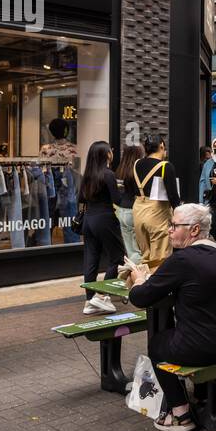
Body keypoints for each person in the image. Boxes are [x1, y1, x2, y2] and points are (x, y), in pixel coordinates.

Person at [125, 203, 216, 431]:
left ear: (194, 230)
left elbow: (140, 298)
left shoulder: (182, 260)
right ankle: (202, 395)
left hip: (204, 347)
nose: (169, 230)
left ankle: (180, 415)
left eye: (174, 225)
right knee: (199, 330)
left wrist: (140, 278)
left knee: (157, 345)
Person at [79, 141, 127, 315]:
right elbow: (117, 200)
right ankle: (101, 296)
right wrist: (123, 190)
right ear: (106, 155)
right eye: (110, 150)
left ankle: (89, 300)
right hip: (105, 219)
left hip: (89, 220)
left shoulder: (88, 175)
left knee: (91, 260)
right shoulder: (108, 174)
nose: (112, 152)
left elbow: (81, 199)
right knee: (118, 258)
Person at [122, 134, 180, 269]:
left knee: (145, 255)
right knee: (160, 257)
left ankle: (143, 283)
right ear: (161, 146)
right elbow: (173, 197)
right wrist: (179, 215)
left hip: (138, 212)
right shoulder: (166, 166)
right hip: (157, 214)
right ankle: (158, 286)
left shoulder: (136, 164)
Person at [41, 117, 81, 245]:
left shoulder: (45, 149)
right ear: (66, 131)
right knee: (69, 221)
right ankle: (71, 250)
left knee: (47, 220)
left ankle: (42, 247)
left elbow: (41, 170)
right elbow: (77, 173)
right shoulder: (74, 149)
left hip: (49, 187)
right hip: (68, 188)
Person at [114, 144, 145, 265]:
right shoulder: (136, 172)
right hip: (134, 211)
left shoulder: (120, 171)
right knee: (138, 251)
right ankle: (134, 277)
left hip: (121, 211)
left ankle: (129, 276)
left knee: (129, 250)